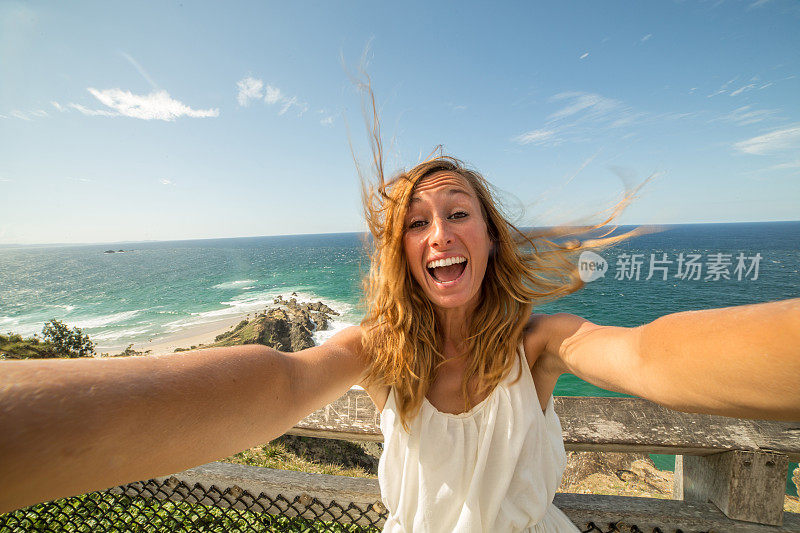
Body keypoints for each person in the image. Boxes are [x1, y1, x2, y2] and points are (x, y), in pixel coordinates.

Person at [1, 156, 799, 530]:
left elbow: (650, 356)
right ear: (400, 252)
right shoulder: (379, 349)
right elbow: (283, 383)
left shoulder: (542, 345)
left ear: (489, 236)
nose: (438, 231)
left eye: (457, 212)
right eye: (416, 221)